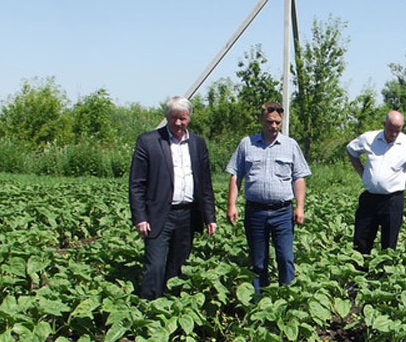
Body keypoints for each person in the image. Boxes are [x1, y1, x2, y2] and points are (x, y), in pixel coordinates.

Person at [128, 96, 217, 300]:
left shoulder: (197, 143)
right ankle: (150, 308)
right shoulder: (148, 141)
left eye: (183, 118)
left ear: (189, 118)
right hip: (159, 215)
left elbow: (205, 183)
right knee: (155, 265)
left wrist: (209, 217)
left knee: (179, 264)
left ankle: (171, 304)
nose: (178, 123)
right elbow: (136, 183)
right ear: (167, 116)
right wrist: (140, 217)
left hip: (187, 214)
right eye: (174, 118)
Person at [226, 102, 311, 291]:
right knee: (258, 260)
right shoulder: (247, 144)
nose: (273, 126)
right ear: (261, 121)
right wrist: (231, 205)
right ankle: (259, 301)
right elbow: (235, 175)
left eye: (277, 123)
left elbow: (299, 177)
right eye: (269, 122)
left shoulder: (290, 145)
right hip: (255, 211)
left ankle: (287, 299)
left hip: (282, 211)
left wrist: (300, 207)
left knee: (285, 257)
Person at [346, 110, 406, 253]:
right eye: (391, 129)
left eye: (397, 130)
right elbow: (351, 150)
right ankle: (359, 270)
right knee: (361, 239)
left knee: (389, 242)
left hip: (392, 200)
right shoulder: (369, 138)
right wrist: (361, 172)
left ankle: (385, 273)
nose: (394, 134)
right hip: (370, 198)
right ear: (384, 124)